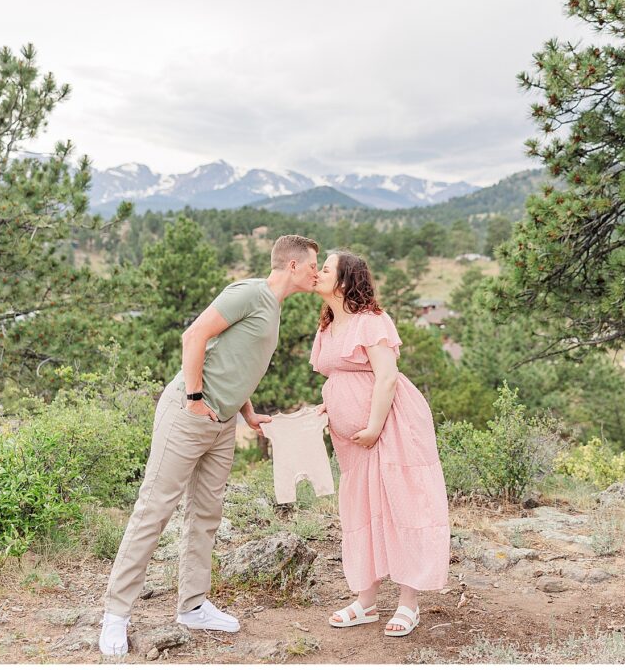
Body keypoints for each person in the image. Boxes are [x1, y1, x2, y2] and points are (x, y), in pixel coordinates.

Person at [99, 234, 320, 656]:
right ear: (292, 265)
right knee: (154, 509)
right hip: (188, 414)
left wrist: (248, 413)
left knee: (205, 514)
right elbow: (194, 336)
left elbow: (233, 360)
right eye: (313, 264)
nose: (317, 271)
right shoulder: (250, 293)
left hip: (222, 423)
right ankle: (116, 614)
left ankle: (193, 605)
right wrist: (195, 397)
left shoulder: (274, 308)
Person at [310, 251, 450, 638]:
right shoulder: (327, 325)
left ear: (344, 281)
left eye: (325, 268)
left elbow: (386, 377)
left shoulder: (372, 321)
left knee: (401, 503)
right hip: (351, 440)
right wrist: (327, 409)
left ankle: (409, 603)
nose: (317, 273)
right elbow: (341, 378)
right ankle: (366, 601)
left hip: (391, 424)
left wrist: (373, 425)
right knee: (361, 509)